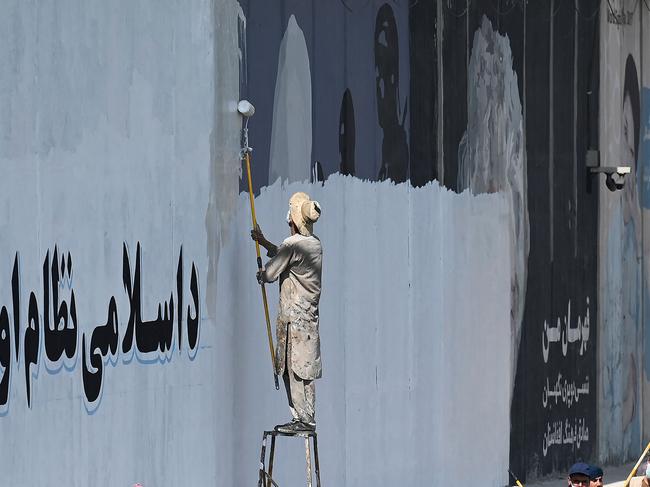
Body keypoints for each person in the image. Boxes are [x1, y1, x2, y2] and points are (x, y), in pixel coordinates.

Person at [252, 192, 323, 433]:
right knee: (306, 373)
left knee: (293, 370)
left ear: (293, 220)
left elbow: (272, 273)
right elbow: (285, 255)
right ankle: (307, 417)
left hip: (294, 321)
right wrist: (264, 242)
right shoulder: (314, 245)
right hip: (308, 322)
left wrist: (262, 274)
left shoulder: (293, 245)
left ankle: (301, 419)